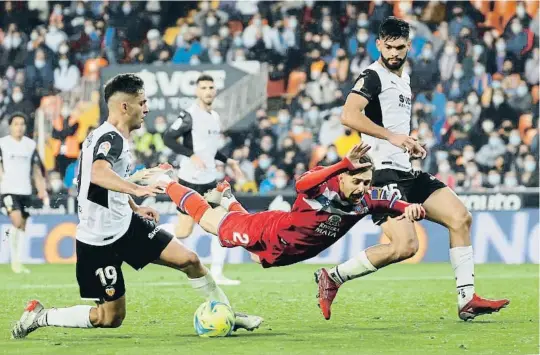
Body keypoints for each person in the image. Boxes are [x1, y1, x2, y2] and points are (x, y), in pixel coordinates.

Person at [11, 73, 262, 339]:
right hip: (98, 241)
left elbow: (102, 183)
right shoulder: (112, 139)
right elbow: (97, 174)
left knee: (190, 260)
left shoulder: (109, 136)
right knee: (110, 318)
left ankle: (227, 314)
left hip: (127, 226)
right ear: (124, 106)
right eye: (142, 102)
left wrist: (134, 206)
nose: (147, 108)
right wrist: (138, 189)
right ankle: (41, 315)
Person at [320, 16, 509, 321]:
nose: (394, 53)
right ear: (379, 44)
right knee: (405, 246)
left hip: (405, 169)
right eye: (389, 47)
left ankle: (467, 299)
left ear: (409, 45)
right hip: (381, 173)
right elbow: (348, 115)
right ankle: (333, 277)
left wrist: (408, 143)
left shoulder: (404, 79)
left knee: (461, 218)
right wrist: (392, 136)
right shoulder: (372, 76)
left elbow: (394, 126)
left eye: (400, 47)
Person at [143, 143, 426, 269]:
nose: (364, 188)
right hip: (269, 232)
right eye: (358, 181)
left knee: (255, 258)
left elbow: (391, 200)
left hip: (284, 250)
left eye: (367, 182)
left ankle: (228, 197)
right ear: (342, 175)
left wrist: (410, 208)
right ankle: (167, 179)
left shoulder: (365, 199)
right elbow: (301, 186)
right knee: (209, 222)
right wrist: (341, 163)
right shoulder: (322, 184)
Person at [163, 74, 244, 286]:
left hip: (209, 181)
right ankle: (149, 233)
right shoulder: (189, 115)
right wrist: (191, 155)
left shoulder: (215, 117)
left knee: (222, 223)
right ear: (197, 91)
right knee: (183, 231)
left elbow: (210, 150)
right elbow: (168, 137)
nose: (208, 91)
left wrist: (229, 161)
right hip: (189, 180)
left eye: (211, 87)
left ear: (214, 91)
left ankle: (217, 273)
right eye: (204, 87)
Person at [0, 112, 48, 274]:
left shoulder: (30, 145)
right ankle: (14, 263)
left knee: (22, 226)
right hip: (7, 189)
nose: (19, 127)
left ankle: (18, 261)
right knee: (16, 220)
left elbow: (36, 169)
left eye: (22, 124)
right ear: (10, 126)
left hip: (25, 190)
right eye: (16, 124)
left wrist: (42, 189)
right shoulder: (3, 144)